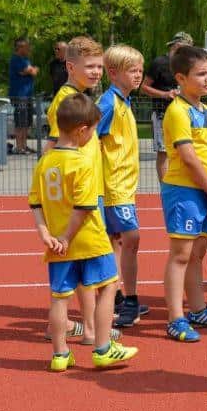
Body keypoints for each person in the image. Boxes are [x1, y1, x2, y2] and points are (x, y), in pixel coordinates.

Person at [29, 92, 138, 371]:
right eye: (93, 131)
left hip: (57, 243)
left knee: (59, 297)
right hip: (88, 239)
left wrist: (46, 235)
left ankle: (60, 354)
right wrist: (67, 236)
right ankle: (103, 348)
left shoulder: (44, 162)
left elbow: (36, 203)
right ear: (81, 130)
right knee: (108, 287)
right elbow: (83, 208)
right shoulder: (82, 163)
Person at [160, 45, 207, 343]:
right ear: (181, 78)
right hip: (185, 190)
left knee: (197, 253)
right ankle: (175, 318)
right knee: (181, 254)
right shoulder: (177, 111)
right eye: (201, 74)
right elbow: (189, 157)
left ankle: (197, 309)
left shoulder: (206, 111)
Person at [43, 37, 107, 346]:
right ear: (71, 67)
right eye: (90, 66)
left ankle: (77, 326)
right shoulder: (67, 101)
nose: (96, 72)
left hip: (88, 189)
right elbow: (56, 147)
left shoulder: (80, 97)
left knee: (82, 265)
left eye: (99, 67)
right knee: (84, 264)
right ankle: (90, 330)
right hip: (78, 195)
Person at [97, 44, 146, 329]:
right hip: (114, 186)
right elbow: (90, 138)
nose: (138, 75)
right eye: (132, 70)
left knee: (117, 241)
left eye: (140, 70)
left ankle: (116, 296)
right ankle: (129, 300)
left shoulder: (124, 102)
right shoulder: (108, 104)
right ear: (113, 73)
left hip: (125, 185)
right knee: (131, 238)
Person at [142, 32, 191, 181]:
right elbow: (143, 87)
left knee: (184, 149)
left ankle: (181, 183)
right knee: (163, 152)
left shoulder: (188, 64)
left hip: (184, 113)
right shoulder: (159, 63)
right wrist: (165, 94)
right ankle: (165, 187)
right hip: (161, 114)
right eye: (182, 48)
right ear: (174, 46)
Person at [8, 38, 39, 154]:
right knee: (20, 121)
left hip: (28, 95)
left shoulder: (26, 59)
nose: (29, 49)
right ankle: (19, 147)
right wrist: (32, 70)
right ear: (20, 47)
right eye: (26, 47)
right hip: (19, 95)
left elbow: (32, 71)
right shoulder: (16, 59)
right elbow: (29, 71)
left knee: (27, 121)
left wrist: (31, 70)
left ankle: (24, 146)